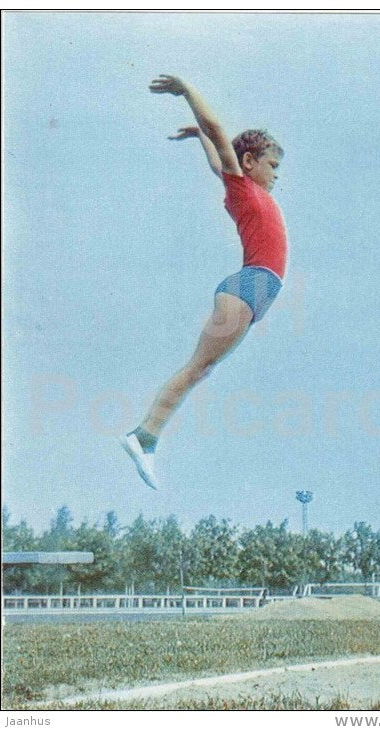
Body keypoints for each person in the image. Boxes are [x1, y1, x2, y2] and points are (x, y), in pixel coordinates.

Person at [120, 75, 288, 490]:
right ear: (249, 162)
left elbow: (217, 157)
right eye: (273, 165)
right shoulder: (245, 188)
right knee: (198, 366)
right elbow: (221, 136)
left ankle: (146, 438)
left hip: (256, 291)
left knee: (203, 370)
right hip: (250, 285)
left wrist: (199, 139)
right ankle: (143, 437)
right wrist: (188, 94)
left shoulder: (244, 188)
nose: (277, 175)